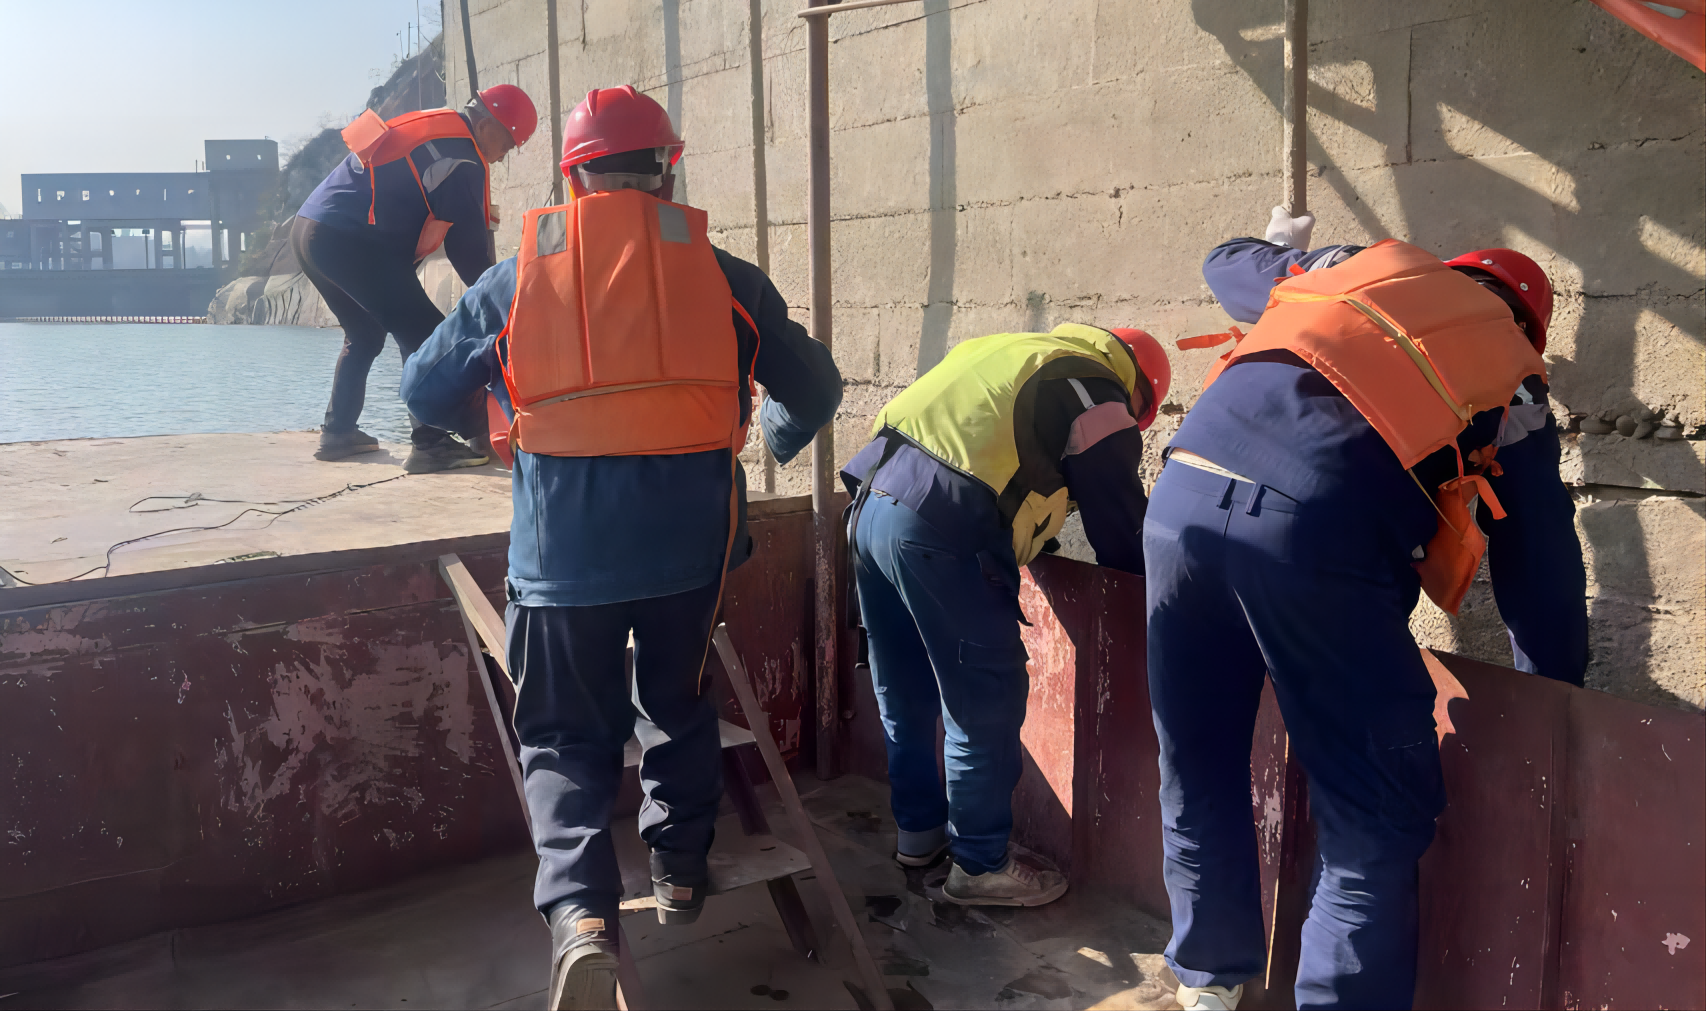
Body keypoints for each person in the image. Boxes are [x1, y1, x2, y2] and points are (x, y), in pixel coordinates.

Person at [400, 86, 841, 1011]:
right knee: (677, 702)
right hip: (690, 555)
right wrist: (771, 439)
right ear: (667, 171)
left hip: (562, 560)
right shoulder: (726, 276)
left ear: (572, 179)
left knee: (564, 733)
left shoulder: (515, 278)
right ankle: (680, 870)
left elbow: (421, 388)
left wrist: (504, 419)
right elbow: (817, 387)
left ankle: (581, 918)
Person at [1147, 206, 1586, 1011]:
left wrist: (1285, 247)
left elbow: (1224, 264)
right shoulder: (1514, 372)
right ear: (1531, 324)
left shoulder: (1354, 273)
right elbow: (1540, 560)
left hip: (1178, 502)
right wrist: (1553, 686)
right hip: (1313, 532)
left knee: (1198, 757)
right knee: (1374, 817)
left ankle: (1207, 985)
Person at [841, 322, 1172, 907]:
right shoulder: (1097, 391)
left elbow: (1001, 463)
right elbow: (1119, 523)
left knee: (904, 689)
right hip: (940, 528)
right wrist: (1160, 594)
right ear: (1140, 393)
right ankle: (979, 864)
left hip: (870, 509)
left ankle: (918, 835)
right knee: (984, 701)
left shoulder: (1016, 354)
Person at [294, 84, 537, 473]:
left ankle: (338, 432)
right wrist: (506, 306)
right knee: (425, 333)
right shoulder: (463, 159)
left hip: (310, 230)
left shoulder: (436, 128)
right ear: (487, 126)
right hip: (350, 240)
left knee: (365, 333)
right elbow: (468, 251)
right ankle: (431, 443)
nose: (503, 156)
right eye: (506, 145)